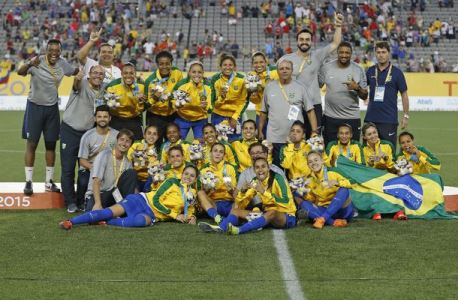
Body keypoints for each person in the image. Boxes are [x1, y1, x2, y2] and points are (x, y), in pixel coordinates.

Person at [18, 39, 78, 196]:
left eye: (57, 50)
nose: (54, 53)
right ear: (46, 49)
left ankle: (48, 182)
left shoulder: (63, 64)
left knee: (51, 145)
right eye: (51, 50)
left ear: (60, 51)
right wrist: (30, 63)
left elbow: (75, 71)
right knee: (32, 144)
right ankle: (28, 181)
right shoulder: (37, 61)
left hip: (52, 109)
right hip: (34, 107)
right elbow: (21, 72)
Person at [59, 165, 199, 230]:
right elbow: (156, 200)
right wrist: (175, 215)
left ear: (195, 179)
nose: (188, 177)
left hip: (151, 215)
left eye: (192, 176)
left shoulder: (192, 193)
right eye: (186, 173)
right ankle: (71, 222)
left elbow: (189, 209)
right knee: (109, 211)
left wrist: (192, 217)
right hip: (141, 200)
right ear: (182, 174)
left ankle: (106, 223)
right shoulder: (171, 182)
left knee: (141, 222)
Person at [281, 13, 344, 137]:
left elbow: (336, 43)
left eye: (307, 39)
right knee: (292, 138)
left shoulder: (317, 55)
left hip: (314, 104)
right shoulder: (286, 59)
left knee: (314, 139)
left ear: (311, 41)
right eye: (302, 39)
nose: (304, 42)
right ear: (297, 41)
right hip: (294, 105)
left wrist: (338, 25)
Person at [198, 157, 296, 234]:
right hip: (266, 216)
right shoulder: (255, 181)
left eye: (263, 166)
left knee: (272, 212)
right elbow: (241, 203)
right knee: (236, 210)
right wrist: (243, 192)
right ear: (254, 170)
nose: (260, 170)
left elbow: (286, 202)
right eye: (257, 167)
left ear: (268, 168)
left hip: (286, 216)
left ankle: (239, 230)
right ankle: (222, 227)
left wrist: (264, 192)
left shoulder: (278, 178)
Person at [60, 65, 105, 213]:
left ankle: (80, 201)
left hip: (88, 134)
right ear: (89, 74)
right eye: (95, 73)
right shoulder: (82, 83)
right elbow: (76, 84)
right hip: (70, 130)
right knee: (68, 168)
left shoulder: (104, 89)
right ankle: (70, 202)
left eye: (101, 74)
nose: (98, 76)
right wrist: (77, 78)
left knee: (84, 170)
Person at [258, 59, 317, 166]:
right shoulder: (269, 87)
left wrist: (314, 131)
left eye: (287, 68)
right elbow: (263, 112)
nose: (284, 71)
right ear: (277, 71)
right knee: (276, 169)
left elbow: (310, 111)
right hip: (274, 138)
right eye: (281, 68)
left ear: (292, 71)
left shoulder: (300, 87)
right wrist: (260, 130)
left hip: (296, 139)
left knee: (295, 170)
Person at [318, 42, 368, 145]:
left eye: (347, 53)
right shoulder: (326, 68)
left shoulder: (358, 69)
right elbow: (316, 86)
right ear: (337, 52)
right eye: (341, 52)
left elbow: (365, 96)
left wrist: (357, 88)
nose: (344, 55)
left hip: (352, 118)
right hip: (330, 118)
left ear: (351, 54)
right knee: (330, 150)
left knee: (353, 152)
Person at [365, 41, 410, 149]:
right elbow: (361, 90)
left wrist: (406, 115)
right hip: (371, 119)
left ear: (388, 53)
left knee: (388, 152)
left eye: (383, 52)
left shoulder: (397, 73)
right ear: (375, 54)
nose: (381, 55)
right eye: (378, 52)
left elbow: (404, 95)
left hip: (389, 120)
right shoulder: (370, 71)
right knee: (368, 152)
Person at [294, 151, 353, 229]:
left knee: (344, 190)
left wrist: (338, 183)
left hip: (342, 210)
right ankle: (333, 222)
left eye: (316, 160)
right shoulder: (309, 181)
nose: (314, 163)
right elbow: (312, 199)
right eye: (310, 162)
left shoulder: (333, 171)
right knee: (303, 203)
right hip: (324, 209)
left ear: (322, 161)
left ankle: (323, 219)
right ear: (308, 165)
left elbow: (352, 182)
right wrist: (304, 194)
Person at [361, 123, 407, 220]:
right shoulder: (361, 149)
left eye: (374, 132)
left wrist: (386, 159)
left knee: (395, 184)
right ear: (364, 137)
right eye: (369, 134)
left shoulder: (387, 145)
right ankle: (376, 211)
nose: (373, 136)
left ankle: (398, 211)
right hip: (371, 179)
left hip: (388, 176)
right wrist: (370, 163)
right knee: (372, 188)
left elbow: (396, 168)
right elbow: (362, 171)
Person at [84, 129, 137, 211]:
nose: (124, 143)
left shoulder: (128, 162)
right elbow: (96, 181)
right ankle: (113, 211)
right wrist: (98, 204)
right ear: (116, 140)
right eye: (122, 139)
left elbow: (130, 186)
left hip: (115, 195)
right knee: (92, 215)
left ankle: (125, 207)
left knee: (131, 173)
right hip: (98, 195)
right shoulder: (104, 155)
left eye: (127, 141)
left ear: (131, 145)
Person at [78, 105, 119, 210]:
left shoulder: (116, 135)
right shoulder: (87, 136)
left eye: (105, 117)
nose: (102, 119)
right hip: (90, 168)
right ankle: (85, 201)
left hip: (110, 168)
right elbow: (82, 160)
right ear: (95, 118)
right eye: (99, 116)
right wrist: (95, 169)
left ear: (110, 118)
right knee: (83, 181)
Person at [144, 51, 183, 145]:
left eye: (167, 64)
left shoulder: (177, 73)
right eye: (161, 64)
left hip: (172, 115)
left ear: (171, 63)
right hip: (155, 116)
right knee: (155, 143)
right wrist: (154, 98)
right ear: (157, 64)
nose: (164, 66)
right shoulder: (150, 80)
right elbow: (145, 105)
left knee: (172, 142)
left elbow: (181, 90)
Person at [197, 143, 238, 225]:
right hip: (214, 204)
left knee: (240, 200)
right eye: (215, 151)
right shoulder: (204, 170)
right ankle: (217, 217)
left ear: (224, 155)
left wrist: (231, 190)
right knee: (200, 193)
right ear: (210, 153)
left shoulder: (230, 168)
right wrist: (207, 189)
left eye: (221, 152)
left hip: (230, 203)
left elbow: (236, 194)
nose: (218, 153)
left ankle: (227, 222)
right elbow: (200, 194)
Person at [210, 53, 248, 142]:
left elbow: (244, 101)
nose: (228, 67)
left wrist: (235, 117)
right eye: (225, 65)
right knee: (218, 143)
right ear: (220, 67)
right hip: (218, 115)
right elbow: (212, 102)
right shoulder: (215, 79)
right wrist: (221, 97)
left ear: (235, 67)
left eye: (230, 65)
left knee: (235, 142)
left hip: (235, 116)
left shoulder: (241, 79)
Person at [105, 63, 146, 140]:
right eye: (125, 73)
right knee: (113, 144)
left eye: (131, 73)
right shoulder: (113, 86)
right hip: (117, 119)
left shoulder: (141, 86)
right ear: (121, 74)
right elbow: (107, 107)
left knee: (137, 145)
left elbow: (141, 109)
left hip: (133, 119)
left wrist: (140, 102)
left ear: (135, 74)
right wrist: (112, 105)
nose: (128, 76)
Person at [173, 61, 212, 140]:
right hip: (182, 118)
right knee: (178, 143)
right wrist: (177, 105)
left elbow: (210, 106)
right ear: (189, 73)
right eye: (194, 72)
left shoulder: (208, 86)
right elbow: (173, 100)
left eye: (199, 72)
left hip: (200, 120)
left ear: (203, 73)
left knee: (201, 145)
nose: (197, 74)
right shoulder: (182, 85)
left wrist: (205, 107)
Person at [246, 52, 279, 134]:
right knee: (261, 140)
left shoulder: (275, 73)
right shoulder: (251, 76)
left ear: (266, 62)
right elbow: (255, 101)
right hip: (260, 113)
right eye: (256, 63)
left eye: (261, 62)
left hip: (275, 113)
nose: (259, 65)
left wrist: (265, 86)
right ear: (252, 64)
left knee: (276, 140)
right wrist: (254, 94)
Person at [127, 125, 160, 192]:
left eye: (154, 134)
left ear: (157, 137)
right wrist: (148, 165)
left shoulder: (158, 151)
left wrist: (144, 164)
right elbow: (133, 163)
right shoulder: (136, 145)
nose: (151, 136)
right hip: (135, 178)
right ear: (144, 135)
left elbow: (157, 169)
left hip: (148, 180)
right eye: (149, 133)